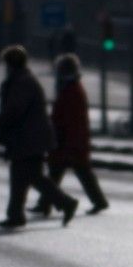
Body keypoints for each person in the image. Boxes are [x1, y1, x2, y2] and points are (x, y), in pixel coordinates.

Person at [0, 45, 77, 230]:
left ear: (10, 64)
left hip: (29, 138)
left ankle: (66, 203)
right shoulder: (22, 80)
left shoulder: (21, 82)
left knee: (33, 177)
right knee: (21, 177)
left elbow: (13, 111)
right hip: (29, 138)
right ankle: (16, 215)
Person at [31, 54, 108, 217]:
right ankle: (45, 204)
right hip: (69, 140)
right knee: (69, 173)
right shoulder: (72, 87)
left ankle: (46, 204)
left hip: (68, 141)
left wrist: (66, 141)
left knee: (69, 173)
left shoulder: (71, 90)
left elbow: (71, 120)